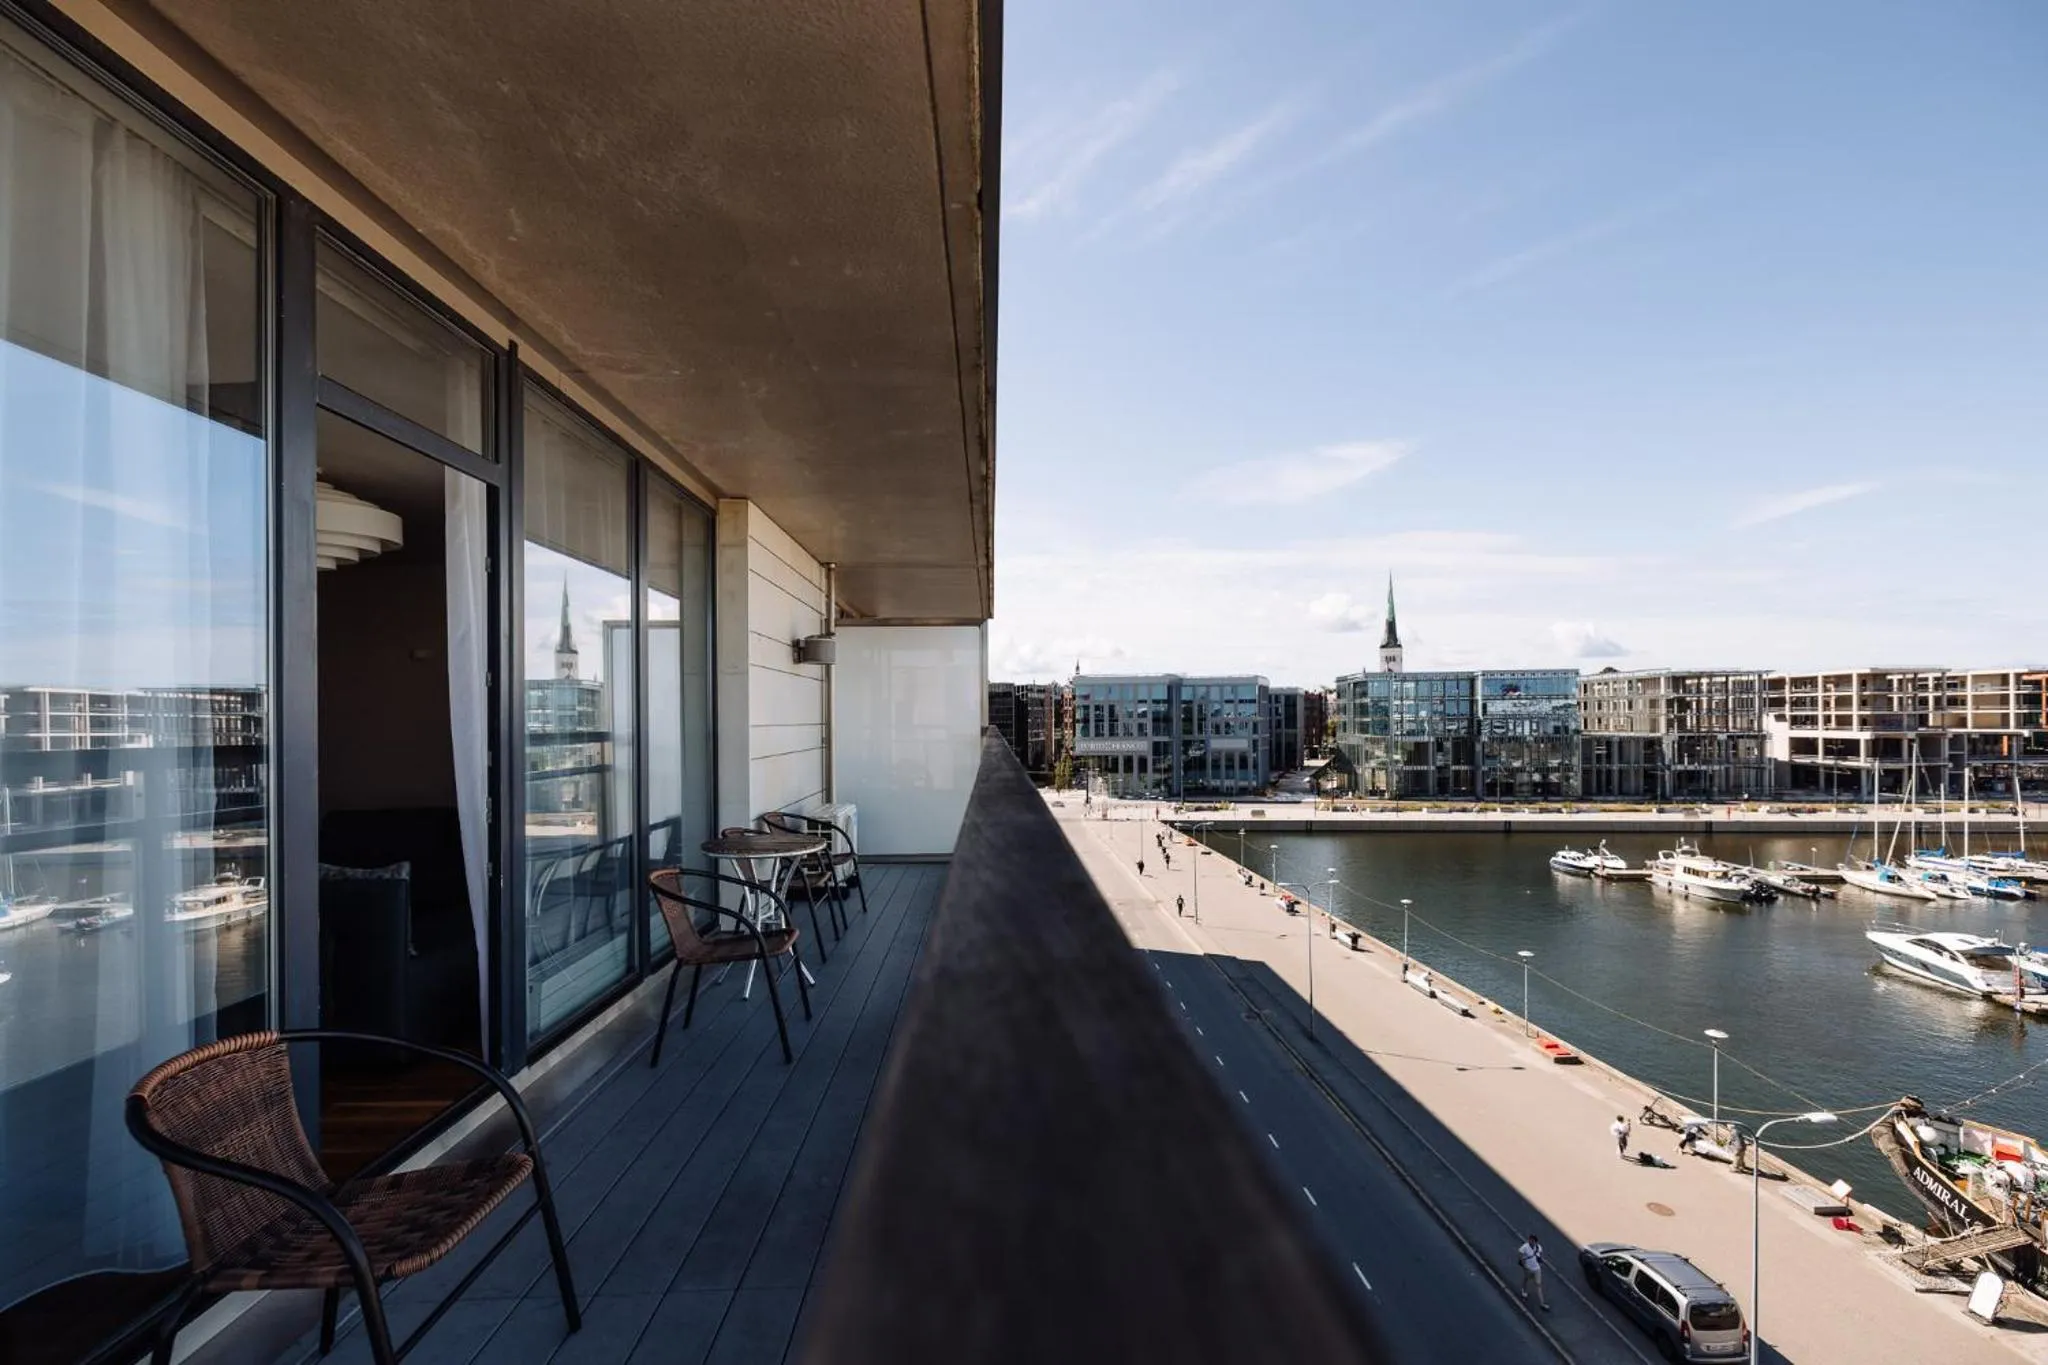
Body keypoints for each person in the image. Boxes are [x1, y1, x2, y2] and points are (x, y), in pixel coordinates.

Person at [1515, 1233, 1549, 1310]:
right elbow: (1520, 1255)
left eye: (1532, 1240)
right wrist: (1524, 1266)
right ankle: (1523, 1290)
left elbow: (1540, 1256)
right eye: (1530, 1240)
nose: (1531, 1241)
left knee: (1538, 1285)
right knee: (1526, 1279)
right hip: (1528, 1268)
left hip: (1537, 1269)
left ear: (1535, 1242)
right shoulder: (1524, 1247)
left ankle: (1542, 1303)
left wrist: (1541, 1261)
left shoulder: (1539, 1247)